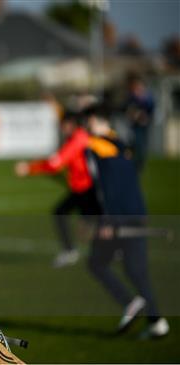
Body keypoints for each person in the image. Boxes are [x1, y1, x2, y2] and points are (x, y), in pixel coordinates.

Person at [85, 105, 169, 339]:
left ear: (94, 120)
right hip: (137, 212)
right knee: (136, 270)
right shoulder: (122, 144)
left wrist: (105, 221)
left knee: (96, 262)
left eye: (88, 122)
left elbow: (103, 190)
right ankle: (157, 321)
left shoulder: (93, 148)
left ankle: (131, 303)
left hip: (117, 218)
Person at [15, 111, 101, 268]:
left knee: (95, 223)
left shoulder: (77, 140)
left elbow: (55, 164)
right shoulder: (80, 137)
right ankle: (72, 250)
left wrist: (29, 168)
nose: (62, 128)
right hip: (83, 188)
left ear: (71, 124)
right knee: (65, 214)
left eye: (64, 125)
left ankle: (76, 251)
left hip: (88, 190)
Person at [124, 75, 154, 171]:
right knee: (135, 145)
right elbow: (128, 110)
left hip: (143, 125)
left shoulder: (147, 97)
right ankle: (134, 164)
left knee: (141, 146)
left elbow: (150, 108)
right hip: (135, 126)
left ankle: (139, 165)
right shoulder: (132, 97)